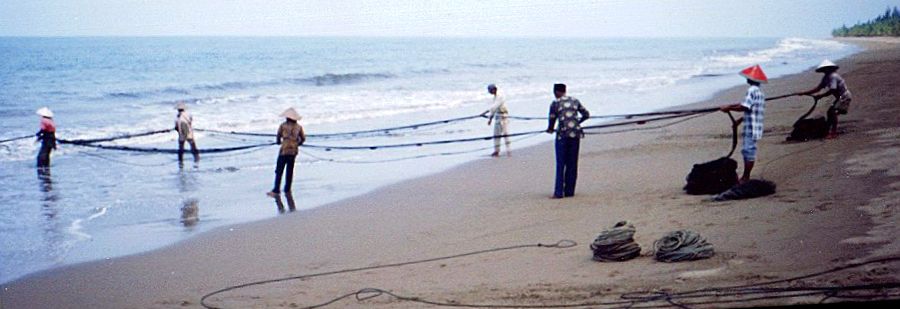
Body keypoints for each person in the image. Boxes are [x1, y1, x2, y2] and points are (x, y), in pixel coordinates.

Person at [720, 64, 767, 183]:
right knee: (748, 149)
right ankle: (746, 176)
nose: (747, 78)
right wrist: (738, 120)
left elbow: (745, 107)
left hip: (752, 126)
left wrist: (728, 108)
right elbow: (750, 109)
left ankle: (746, 177)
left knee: (748, 150)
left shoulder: (751, 91)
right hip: (755, 124)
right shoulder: (760, 93)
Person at [546, 83, 590, 198]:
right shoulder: (575, 100)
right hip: (575, 134)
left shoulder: (555, 103)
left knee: (561, 164)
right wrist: (576, 123)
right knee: (572, 163)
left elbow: (552, 119)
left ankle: (559, 192)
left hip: (562, 135)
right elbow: (586, 114)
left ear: (556, 92)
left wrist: (550, 129)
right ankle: (570, 191)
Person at [794, 60, 852, 139]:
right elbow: (818, 88)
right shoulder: (826, 77)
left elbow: (833, 90)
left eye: (826, 69)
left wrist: (821, 96)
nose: (825, 70)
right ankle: (828, 130)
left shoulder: (833, 76)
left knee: (832, 113)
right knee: (831, 113)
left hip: (844, 96)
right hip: (839, 97)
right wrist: (805, 93)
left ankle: (833, 133)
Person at [268, 107, 306, 197]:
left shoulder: (283, 126)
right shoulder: (299, 127)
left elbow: (278, 137)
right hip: (293, 151)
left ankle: (276, 190)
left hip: (284, 150)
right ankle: (287, 189)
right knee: (290, 170)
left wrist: (279, 142)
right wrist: (297, 144)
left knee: (279, 170)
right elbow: (303, 139)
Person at [484, 84, 511, 157]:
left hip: (503, 116)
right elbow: (493, 109)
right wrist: (490, 118)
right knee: (496, 135)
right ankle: (497, 151)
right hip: (498, 117)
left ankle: (508, 150)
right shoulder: (495, 97)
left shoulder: (500, 96)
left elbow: (494, 107)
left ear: (494, 89)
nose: (489, 92)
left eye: (490, 90)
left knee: (505, 134)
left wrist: (486, 112)